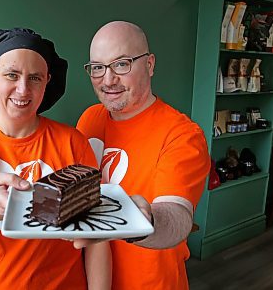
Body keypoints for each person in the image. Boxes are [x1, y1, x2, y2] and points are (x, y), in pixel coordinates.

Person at [0, 28, 111, 290]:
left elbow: (97, 238)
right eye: (11, 75)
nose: (23, 89)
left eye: (35, 77)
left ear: (47, 81)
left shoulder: (73, 142)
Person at [74, 21, 210, 290]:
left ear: (149, 64)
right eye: (98, 68)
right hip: (91, 278)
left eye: (121, 64)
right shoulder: (90, 118)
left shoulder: (181, 133)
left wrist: (141, 221)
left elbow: (177, 216)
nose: (108, 79)